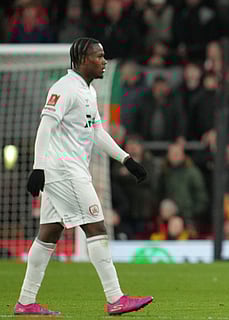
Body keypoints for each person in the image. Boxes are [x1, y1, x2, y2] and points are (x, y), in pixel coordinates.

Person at [15, 37, 153, 316]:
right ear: (81, 60)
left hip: (67, 169)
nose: (104, 61)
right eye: (98, 56)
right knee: (96, 227)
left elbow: (96, 132)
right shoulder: (64, 89)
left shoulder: (87, 91)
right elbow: (45, 127)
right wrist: (38, 167)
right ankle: (115, 298)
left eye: (103, 56)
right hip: (64, 169)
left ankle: (26, 301)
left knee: (49, 233)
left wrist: (126, 159)